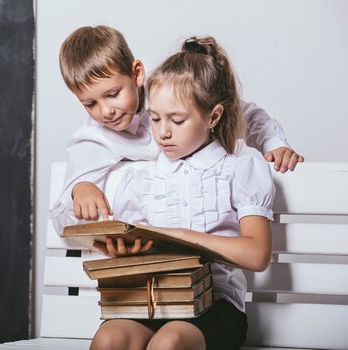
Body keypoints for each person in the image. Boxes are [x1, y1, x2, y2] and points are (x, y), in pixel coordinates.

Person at [88, 36, 275, 350]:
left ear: (212, 117)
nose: (162, 132)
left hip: (214, 307)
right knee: (109, 339)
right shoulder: (142, 178)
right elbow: (131, 248)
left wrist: (179, 236)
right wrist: (122, 248)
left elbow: (257, 254)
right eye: (156, 118)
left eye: (177, 120)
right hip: (153, 301)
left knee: (170, 342)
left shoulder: (239, 170)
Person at [50, 25, 302, 234]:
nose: (106, 111)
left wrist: (274, 143)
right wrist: (79, 188)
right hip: (161, 232)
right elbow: (61, 215)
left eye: (113, 94)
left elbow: (243, 113)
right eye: (90, 103)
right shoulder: (94, 137)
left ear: (137, 73)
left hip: (207, 221)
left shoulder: (168, 90)